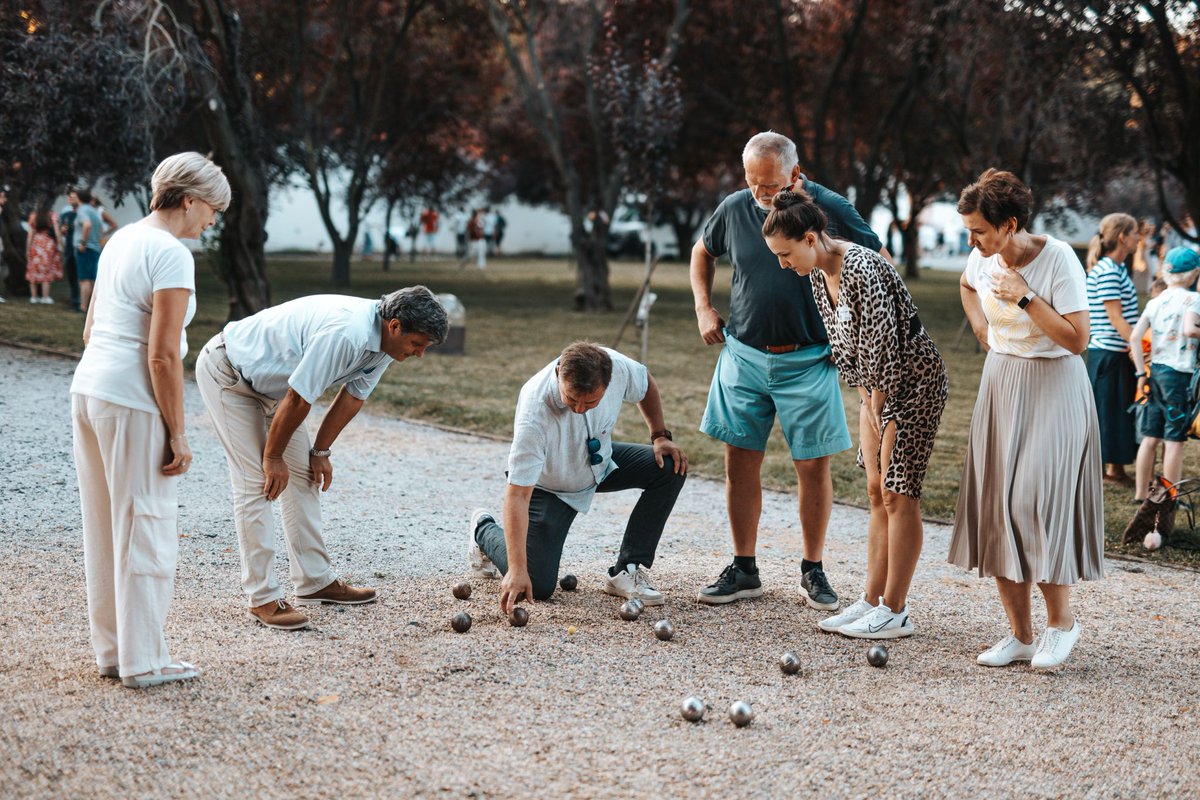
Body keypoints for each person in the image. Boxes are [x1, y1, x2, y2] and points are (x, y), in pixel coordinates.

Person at [690, 131, 884, 609]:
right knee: (739, 463)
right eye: (754, 183)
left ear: (796, 174)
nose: (762, 195)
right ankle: (744, 568)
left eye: (772, 185)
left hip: (809, 358)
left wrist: (851, 327)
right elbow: (702, 252)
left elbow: (875, 259)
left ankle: (813, 569)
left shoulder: (829, 206)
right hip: (744, 354)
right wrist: (703, 308)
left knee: (812, 466)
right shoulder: (736, 207)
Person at [195, 286, 449, 630]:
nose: (418, 354)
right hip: (230, 374)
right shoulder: (347, 333)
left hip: (276, 391)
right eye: (417, 345)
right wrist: (272, 457)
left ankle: (315, 582)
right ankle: (263, 597)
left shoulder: (387, 344)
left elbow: (352, 397)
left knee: (303, 478)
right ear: (395, 326)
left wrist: (320, 452)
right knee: (257, 483)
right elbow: (300, 399)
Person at [70, 152, 230, 688]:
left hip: (90, 388)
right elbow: (162, 356)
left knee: (105, 524)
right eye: (212, 209)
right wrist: (178, 432)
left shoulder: (122, 240)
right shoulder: (171, 253)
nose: (212, 221)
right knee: (147, 525)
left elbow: (91, 329)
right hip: (132, 400)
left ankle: (114, 652)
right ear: (188, 200)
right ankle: (144, 661)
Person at [762, 190, 947, 638]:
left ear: (810, 238)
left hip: (912, 384)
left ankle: (895, 610)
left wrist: (876, 407)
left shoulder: (862, 268)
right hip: (873, 388)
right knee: (874, 490)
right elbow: (843, 347)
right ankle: (870, 600)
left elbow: (884, 346)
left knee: (898, 493)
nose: (784, 265)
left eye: (786, 255)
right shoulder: (816, 274)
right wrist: (866, 399)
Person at [950, 168, 1103, 671]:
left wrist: (1023, 296)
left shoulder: (1058, 259)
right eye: (969, 231)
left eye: (979, 230)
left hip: (1055, 386)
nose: (971, 241)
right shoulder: (982, 257)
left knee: (1033, 503)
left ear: (1009, 224)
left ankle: (1062, 625)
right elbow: (967, 286)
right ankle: (1019, 636)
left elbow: (1078, 340)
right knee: (997, 507)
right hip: (1002, 383)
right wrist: (981, 329)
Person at [468, 342, 688, 612]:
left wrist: (659, 436)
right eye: (571, 399)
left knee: (669, 465)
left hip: (601, 463)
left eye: (591, 402)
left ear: (609, 381)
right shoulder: (534, 411)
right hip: (552, 485)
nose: (580, 409)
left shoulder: (616, 366)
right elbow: (517, 494)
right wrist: (515, 570)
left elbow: (646, 384)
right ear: (559, 372)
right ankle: (484, 530)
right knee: (536, 585)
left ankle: (626, 571)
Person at [1129, 247, 1200, 502]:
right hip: (1179, 375)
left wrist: (1140, 372)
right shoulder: (1193, 299)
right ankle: (1170, 496)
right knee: (1174, 440)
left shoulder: (1154, 302)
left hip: (1155, 371)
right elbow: (1191, 329)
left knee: (1150, 437)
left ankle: (1140, 492)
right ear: (1194, 274)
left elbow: (1135, 338)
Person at [1085, 213, 1142, 486]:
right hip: (1108, 352)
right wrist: (1139, 346)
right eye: (1135, 233)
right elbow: (1115, 317)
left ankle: (1116, 468)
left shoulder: (1116, 269)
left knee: (1117, 410)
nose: (1138, 237)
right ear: (1122, 237)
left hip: (1115, 352)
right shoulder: (1108, 271)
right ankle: (1105, 470)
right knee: (1107, 411)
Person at [73, 188, 104, 312]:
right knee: (91, 279)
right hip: (95, 247)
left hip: (85, 248)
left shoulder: (82, 210)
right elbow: (100, 228)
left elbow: (87, 225)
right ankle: (92, 307)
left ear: (79, 198)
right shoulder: (94, 211)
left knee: (84, 279)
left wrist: (83, 242)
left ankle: (83, 307)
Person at [25, 205, 63, 304]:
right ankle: (45, 298)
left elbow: (30, 235)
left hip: (36, 243)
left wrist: (28, 249)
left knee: (33, 270)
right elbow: (57, 232)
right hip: (48, 245)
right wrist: (60, 245)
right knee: (47, 272)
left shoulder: (33, 216)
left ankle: (33, 297)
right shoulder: (52, 215)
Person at [60, 194, 80, 311]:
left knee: (81, 276)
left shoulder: (83, 214)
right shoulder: (66, 215)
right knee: (71, 274)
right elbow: (62, 230)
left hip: (80, 248)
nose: (70, 199)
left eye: (73, 197)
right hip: (69, 248)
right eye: (69, 198)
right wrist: (63, 230)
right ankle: (74, 299)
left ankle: (82, 301)